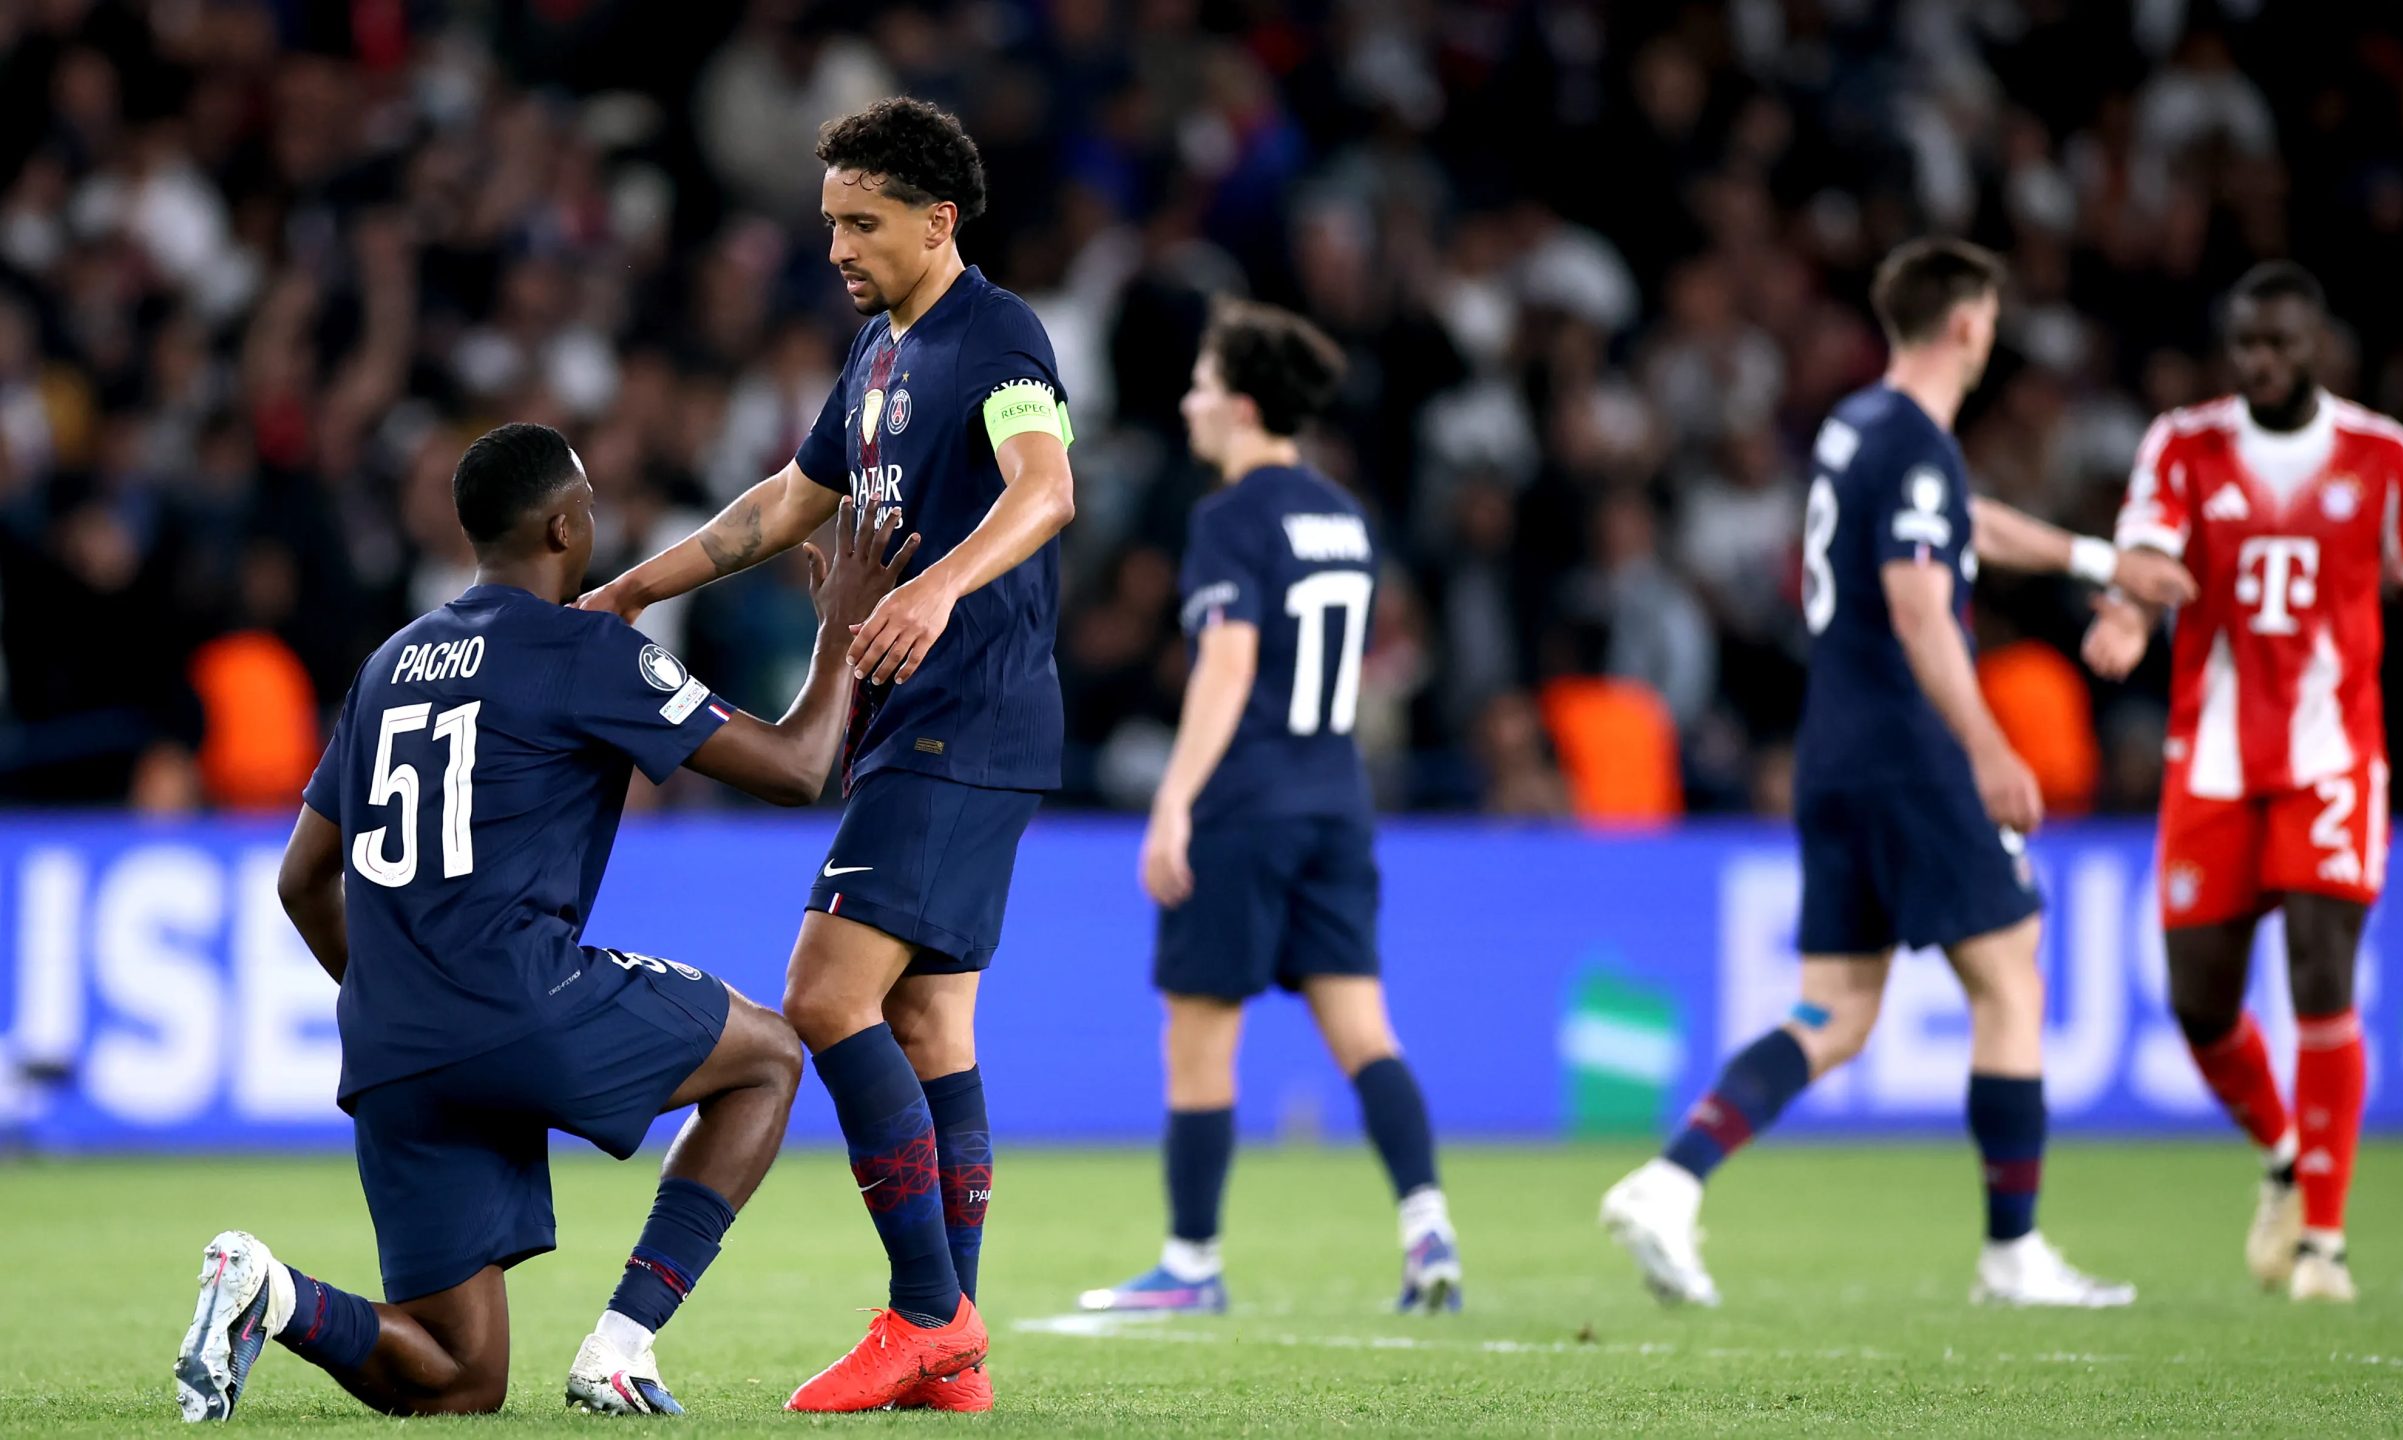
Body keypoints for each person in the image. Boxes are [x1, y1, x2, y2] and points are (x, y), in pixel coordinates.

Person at [172, 422, 918, 1421]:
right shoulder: (586, 650)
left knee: (458, 1377)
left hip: (394, 1045)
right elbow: (794, 769)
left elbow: (303, 879)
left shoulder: (389, 663)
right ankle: (622, 1343)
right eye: (590, 508)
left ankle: (268, 1292)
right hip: (517, 997)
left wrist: (408, 997)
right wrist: (841, 636)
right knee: (769, 1059)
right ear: (565, 528)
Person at [578, 97, 1076, 1413]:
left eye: (863, 223)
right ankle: (952, 1359)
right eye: (830, 224)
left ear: (937, 220)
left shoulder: (998, 337)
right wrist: (633, 589)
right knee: (926, 1021)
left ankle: (925, 1312)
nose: (840, 247)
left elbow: (1046, 487)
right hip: (920, 724)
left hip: (966, 713)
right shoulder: (875, 352)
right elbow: (784, 506)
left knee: (821, 992)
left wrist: (937, 587)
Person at [1598, 237, 2196, 1309]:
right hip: (1909, 750)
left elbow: (1963, 526)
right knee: (2009, 976)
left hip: (1831, 748)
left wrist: (2098, 560)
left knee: (1836, 1011)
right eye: (1991, 321)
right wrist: (1988, 746)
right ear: (1966, 323)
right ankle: (2013, 1253)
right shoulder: (1917, 444)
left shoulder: (1857, 427)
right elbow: (1921, 606)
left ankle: (1669, 1183)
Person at [2082, 261, 2403, 1302]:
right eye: (2247, 346)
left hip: (2330, 756)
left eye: (2280, 344)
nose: (2262, 362)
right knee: (2199, 1003)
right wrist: (2127, 616)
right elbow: (2144, 559)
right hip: (2213, 758)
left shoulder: (2382, 456)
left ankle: (2324, 1242)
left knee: (2321, 972)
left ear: (2318, 347)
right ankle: (2282, 1155)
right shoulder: (2182, 445)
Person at [1078, 301, 1463, 1317]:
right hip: (1338, 797)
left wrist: (1174, 798)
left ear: (1243, 406)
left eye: (1202, 385)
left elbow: (1229, 661)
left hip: (1247, 801)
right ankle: (1427, 1226)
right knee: (1364, 1029)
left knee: (1199, 1033)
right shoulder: (1347, 516)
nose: (1188, 403)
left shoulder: (1229, 518)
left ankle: (1190, 1263)